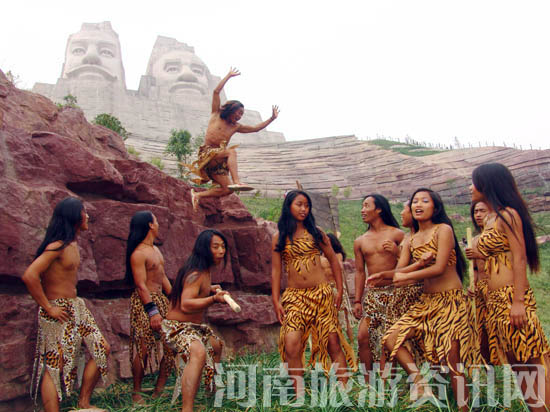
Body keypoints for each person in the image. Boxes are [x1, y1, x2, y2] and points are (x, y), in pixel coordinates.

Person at [372, 189, 480, 411]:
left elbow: (439, 268)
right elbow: (400, 270)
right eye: (415, 201)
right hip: (426, 302)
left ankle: (464, 408)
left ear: (435, 207)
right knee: (391, 338)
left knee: (452, 362)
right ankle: (420, 384)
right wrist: (387, 275)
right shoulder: (410, 239)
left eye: (424, 201)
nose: (418, 205)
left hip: (450, 302)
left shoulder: (443, 230)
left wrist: (406, 276)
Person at [471, 163, 550, 411]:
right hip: (495, 300)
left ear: (486, 184)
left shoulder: (508, 214)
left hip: (511, 297)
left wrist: (518, 302)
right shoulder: (490, 218)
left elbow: (519, 257)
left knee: (534, 360)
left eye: (474, 183)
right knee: (516, 363)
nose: (471, 188)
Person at [22, 197, 109, 412]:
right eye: (84, 212)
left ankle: (83, 403)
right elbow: (30, 275)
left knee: (102, 348)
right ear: (74, 216)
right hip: (57, 308)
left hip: (76, 307)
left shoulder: (72, 244)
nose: (87, 215)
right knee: (55, 363)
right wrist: (48, 307)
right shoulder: (57, 246)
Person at [272, 190, 356, 398]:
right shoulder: (279, 237)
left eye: (307, 205)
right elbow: (275, 271)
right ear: (288, 206)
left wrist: (339, 289)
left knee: (332, 342)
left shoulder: (316, 233)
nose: (304, 209)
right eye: (299, 204)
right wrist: (276, 300)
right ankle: (299, 394)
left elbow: (334, 260)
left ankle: (344, 389)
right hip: (294, 297)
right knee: (291, 343)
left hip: (321, 295)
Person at [186, 67, 279, 210]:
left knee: (228, 189)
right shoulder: (216, 114)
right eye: (238, 112)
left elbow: (255, 128)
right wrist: (228, 76)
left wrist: (271, 119)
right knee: (231, 152)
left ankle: (197, 195)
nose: (239, 116)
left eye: (242, 114)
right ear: (231, 109)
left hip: (218, 162)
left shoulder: (236, 127)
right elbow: (216, 92)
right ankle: (237, 181)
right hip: (207, 154)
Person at [162, 229, 228, 411]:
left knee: (216, 346)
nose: (221, 251)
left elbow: (196, 290)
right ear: (204, 248)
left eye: (223, 247)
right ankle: (187, 408)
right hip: (176, 328)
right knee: (198, 352)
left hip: (193, 327)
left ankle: (210, 393)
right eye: (216, 247)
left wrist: (210, 289)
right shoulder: (195, 273)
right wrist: (213, 298)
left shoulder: (204, 271)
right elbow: (186, 304)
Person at [353, 194, 404, 380]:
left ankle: (387, 382)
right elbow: (360, 272)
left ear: (379, 209)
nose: (362, 210)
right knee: (363, 337)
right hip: (373, 295)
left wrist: (397, 252)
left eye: (366, 206)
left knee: (389, 339)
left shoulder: (397, 234)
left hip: (395, 293)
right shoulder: (360, 241)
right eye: (362, 206)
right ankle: (368, 382)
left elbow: (410, 264)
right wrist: (357, 300)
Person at [125, 211, 174, 403]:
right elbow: (141, 285)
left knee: (172, 344)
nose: (158, 223)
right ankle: (136, 392)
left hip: (161, 299)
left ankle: (158, 390)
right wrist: (152, 312)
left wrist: (175, 297)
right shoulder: (138, 253)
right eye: (156, 220)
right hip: (145, 303)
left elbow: (162, 277)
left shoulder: (155, 250)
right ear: (150, 225)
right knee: (143, 347)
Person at [465, 200, 491, 363]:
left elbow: (505, 261)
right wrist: (472, 285)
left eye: (482, 211)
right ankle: (489, 366)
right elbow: (474, 269)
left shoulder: (497, 237)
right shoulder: (474, 240)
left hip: (495, 290)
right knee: (480, 332)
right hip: (479, 291)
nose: (479, 215)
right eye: (476, 212)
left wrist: (480, 255)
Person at [320, 233, 356, 343]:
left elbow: (338, 267)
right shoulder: (319, 255)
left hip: (337, 287)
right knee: (329, 316)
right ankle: (333, 341)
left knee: (345, 316)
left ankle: (351, 342)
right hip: (325, 289)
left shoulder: (337, 255)